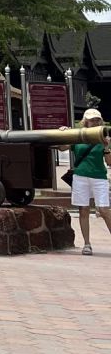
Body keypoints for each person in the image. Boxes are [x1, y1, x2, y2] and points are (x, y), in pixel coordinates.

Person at [72, 105, 111, 255]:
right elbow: (62, 147)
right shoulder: (77, 136)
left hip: (99, 177)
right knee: (83, 210)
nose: (94, 122)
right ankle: (87, 243)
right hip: (81, 176)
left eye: (97, 120)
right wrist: (62, 132)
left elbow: (109, 162)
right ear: (85, 121)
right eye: (91, 120)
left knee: (104, 210)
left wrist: (106, 147)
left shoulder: (103, 137)